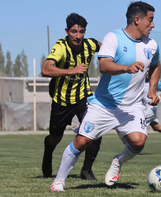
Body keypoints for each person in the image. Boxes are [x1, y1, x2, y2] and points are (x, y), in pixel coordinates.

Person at [50, 1, 160, 192]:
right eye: (150, 20)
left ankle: (117, 161)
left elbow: (156, 65)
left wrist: (152, 89)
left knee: (138, 142)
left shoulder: (152, 45)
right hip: (104, 104)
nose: (153, 25)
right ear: (137, 19)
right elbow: (104, 66)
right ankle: (59, 181)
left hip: (132, 107)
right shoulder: (114, 37)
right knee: (82, 142)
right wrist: (127, 67)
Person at [41, 13, 103, 181]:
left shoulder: (90, 44)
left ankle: (86, 170)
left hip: (83, 97)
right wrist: (71, 70)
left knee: (95, 132)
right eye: (74, 32)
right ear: (67, 31)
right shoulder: (60, 47)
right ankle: (48, 151)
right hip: (61, 100)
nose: (78, 36)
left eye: (81, 32)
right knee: (55, 137)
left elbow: (106, 48)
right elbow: (46, 69)